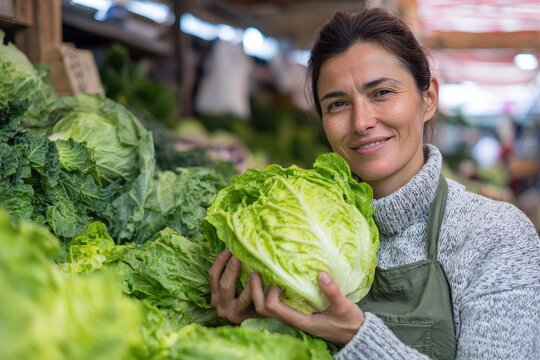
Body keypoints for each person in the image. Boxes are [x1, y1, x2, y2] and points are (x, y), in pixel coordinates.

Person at [208, 7, 540, 359]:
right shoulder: (292, 229)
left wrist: (356, 336)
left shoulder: (495, 234)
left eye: (381, 93)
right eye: (337, 104)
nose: (361, 122)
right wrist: (248, 327)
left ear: (428, 98)